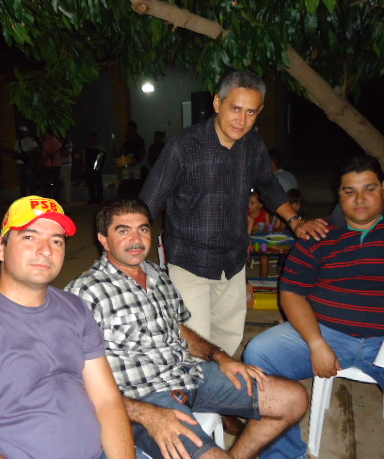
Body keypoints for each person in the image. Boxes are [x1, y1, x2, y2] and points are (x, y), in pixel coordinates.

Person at [0, 196, 179, 459]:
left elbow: (106, 399)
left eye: (56, 241)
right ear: (1, 247)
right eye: (30, 237)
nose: (45, 250)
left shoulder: (75, 308)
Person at [65, 198, 310, 459]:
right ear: (103, 240)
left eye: (143, 229)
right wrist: (146, 414)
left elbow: (179, 327)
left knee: (292, 399)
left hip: (190, 374)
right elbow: (71, 378)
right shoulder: (84, 293)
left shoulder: (156, 273)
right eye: (123, 231)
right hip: (146, 399)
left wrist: (222, 358)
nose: (136, 239)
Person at [243, 155, 384, 459]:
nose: (360, 199)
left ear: (382, 188)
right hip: (328, 333)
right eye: (349, 191)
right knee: (260, 354)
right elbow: (291, 292)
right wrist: (316, 342)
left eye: (369, 188)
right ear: (339, 194)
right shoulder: (320, 232)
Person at [140, 70, 329, 356]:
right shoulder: (183, 146)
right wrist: (129, 252)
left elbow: (269, 185)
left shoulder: (253, 145)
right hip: (190, 260)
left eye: (250, 112)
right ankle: (193, 383)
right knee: (195, 342)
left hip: (233, 261)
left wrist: (295, 221)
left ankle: (218, 382)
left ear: (259, 111)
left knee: (228, 338)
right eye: (236, 108)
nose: (242, 120)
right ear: (218, 103)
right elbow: (148, 202)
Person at [13, 125, 39, 196]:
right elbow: (15, 152)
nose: (22, 133)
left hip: (28, 163)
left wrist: (29, 152)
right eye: (21, 132)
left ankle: (33, 196)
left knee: (30, 181)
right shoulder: (17, 142)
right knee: (22, 182)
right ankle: (23, 196)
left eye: (24, 132)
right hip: (20, 163)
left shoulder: (30, 140)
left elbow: (37, 149)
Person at [84, 131, 107, 204]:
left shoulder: (100, 147)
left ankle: (99, 199)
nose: (90, 138)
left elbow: (101, 158)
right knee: (90, 183)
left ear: (95, 137)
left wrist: (98, 166)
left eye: (92, 137)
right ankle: (92, 198)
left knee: (98, 183)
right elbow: (86, 157)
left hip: (97, 168)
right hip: (89, 167)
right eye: (89, 137)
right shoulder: (88, 147)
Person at [41, 132, 63, 200]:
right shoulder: (57, 141)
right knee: (57, 183)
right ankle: (57, 197)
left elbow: (47, 153)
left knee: (47, 183)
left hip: (49, 165)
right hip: (57, 164)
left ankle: (48, 197)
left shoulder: (48, 142)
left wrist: (42, 161)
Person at [59, 137, 73, 203]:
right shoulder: (56, 141)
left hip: (66, 164)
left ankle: (67, 198)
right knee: (58, 182)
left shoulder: (67, 142)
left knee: (66, 182)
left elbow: (67, 153)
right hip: (58, 164)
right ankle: (60, 197)